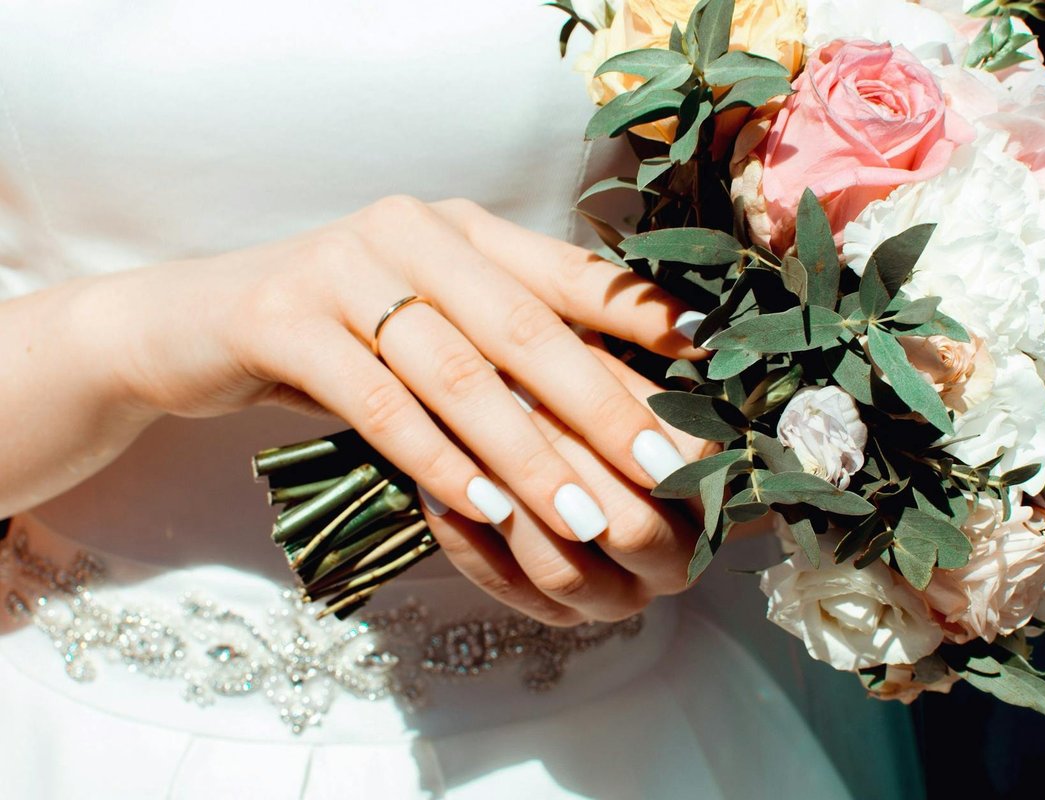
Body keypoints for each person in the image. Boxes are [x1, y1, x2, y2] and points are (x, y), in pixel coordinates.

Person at [0, 3, 921, 798]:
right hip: (66, 724)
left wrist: (743, 473)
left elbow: (890, 321)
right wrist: (125, 340)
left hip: (608, 736)